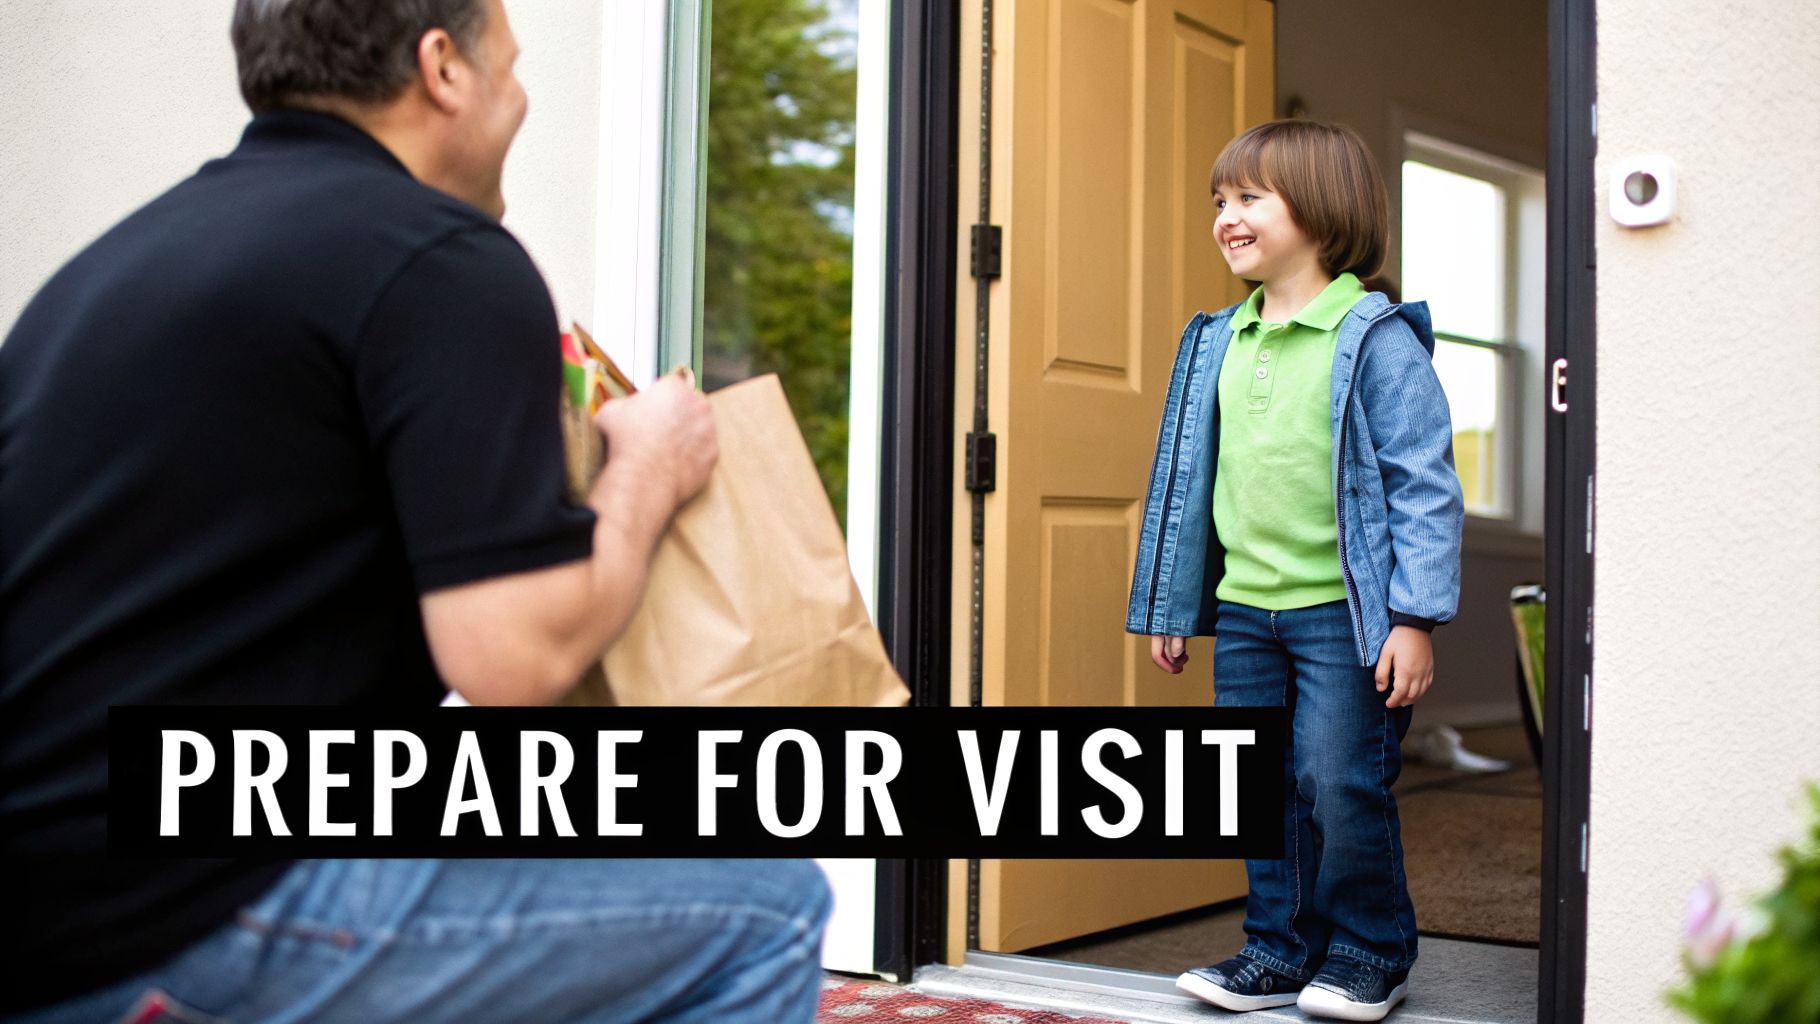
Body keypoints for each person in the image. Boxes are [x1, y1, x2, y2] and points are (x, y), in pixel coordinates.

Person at [0, 0, 830, 1020]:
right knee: (772, 902)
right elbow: (510, 661)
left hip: (44, 902)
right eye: (514, 69)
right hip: (191, 907)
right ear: (442, 68)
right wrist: (647, 467)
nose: (521, 98)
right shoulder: (439, 257)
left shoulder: (106, 273)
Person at [1125, 119, 1463, 1021]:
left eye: (1248, 200)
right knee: (1258, 782)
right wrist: (1171, 602)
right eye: (1219, 202)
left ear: (1319, 208)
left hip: (1341, 613)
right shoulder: (1215, 341)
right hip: (1245, 610)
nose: (1226, 218)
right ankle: (1276, 950)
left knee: (1338, 778)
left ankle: (1368, 950)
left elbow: (1424, 484)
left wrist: (1415, 618)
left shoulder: (1373, 337)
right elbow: (1184, 484)